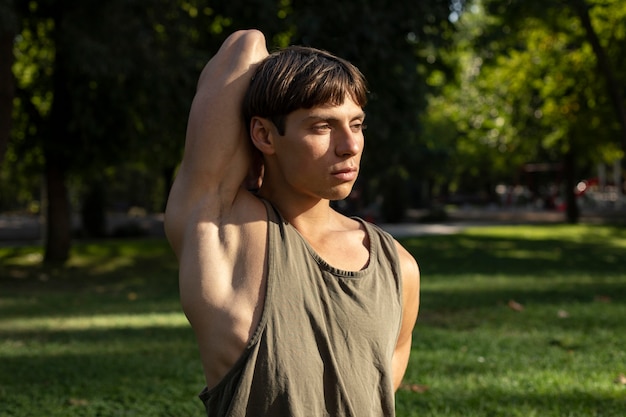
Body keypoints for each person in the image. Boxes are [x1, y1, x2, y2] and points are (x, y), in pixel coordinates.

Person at [164, 29, 420, 416]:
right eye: (322, 127)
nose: (349, 145)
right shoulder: (222, 235)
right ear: (263, 134)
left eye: (356, 124)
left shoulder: (397, 267)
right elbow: (245, 45)